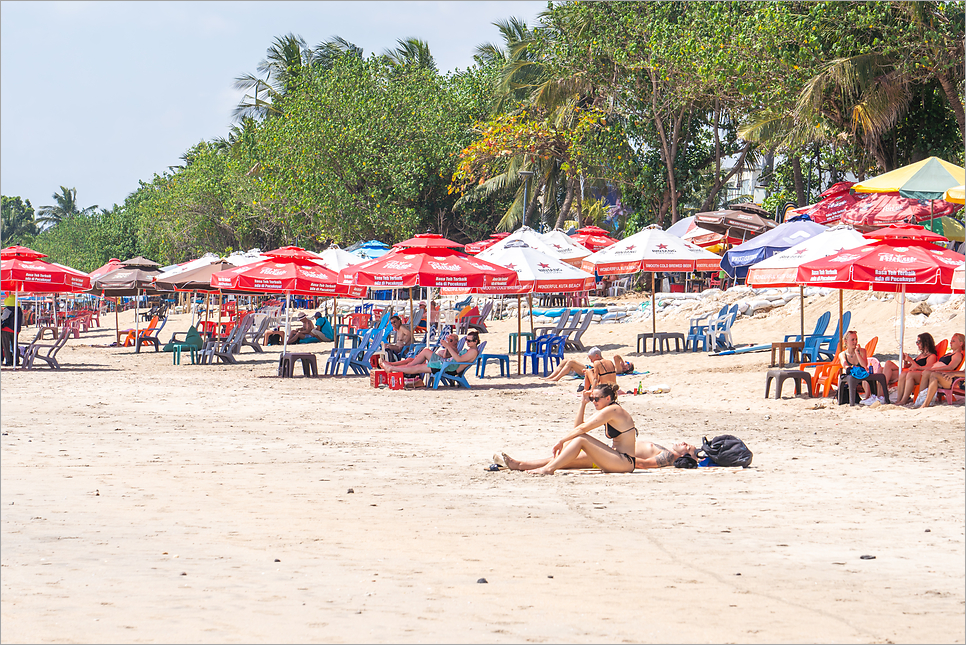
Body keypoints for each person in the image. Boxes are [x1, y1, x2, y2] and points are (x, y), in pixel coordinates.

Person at [501, 383, 637, 475]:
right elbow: (578, 427)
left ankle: (548, 469)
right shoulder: (608, 409)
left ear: (608, 398)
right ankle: (520, 465)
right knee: (568, 454)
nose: (594, 401)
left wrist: (561, 440)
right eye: (592, 398)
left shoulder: (613, 410)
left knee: (579, 440)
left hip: (625, 461)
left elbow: (582, 429)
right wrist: (583, 403)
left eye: (596, 399)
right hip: (616, 456)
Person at [380, 331, 480, 377]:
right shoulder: (470, 350)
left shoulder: (473, 352)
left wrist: (448, 346)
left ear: (475, 341)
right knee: (425, 352)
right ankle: (400, 367)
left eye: (469, 341)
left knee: (418, 367)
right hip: (447, 364)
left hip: (448, 368)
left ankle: (393, 368)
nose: (467, 342)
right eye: (466, 340)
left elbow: (458, 360)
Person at [902, 332, 964, 407]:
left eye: (953, 341)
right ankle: (920, 399)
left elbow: (950, 367)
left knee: (928, 373)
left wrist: (935, 369)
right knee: (927, 373)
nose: (950, 343)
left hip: (947, 377)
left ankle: (921, 401)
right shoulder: (948, 354)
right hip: (939, 374)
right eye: (951, 341)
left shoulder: (957, 355)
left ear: (961, 343)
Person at [539, 347, 634, 392]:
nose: (626, 365)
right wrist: (624, 361)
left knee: (571, 362)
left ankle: (556, 378)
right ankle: (550, 376)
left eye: (628, 365)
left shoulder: (619, 368)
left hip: (590, 371)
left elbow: (616, 356)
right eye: (628, 363)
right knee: (565, 360)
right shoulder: (605, 362)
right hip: (592, 369)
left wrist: (622, 362)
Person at [880, 333, 938, 400]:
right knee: (882, 369)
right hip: (908, 371)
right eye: (916, 342)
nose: (917, 344)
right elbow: (909, 366)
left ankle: (882, 395)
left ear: (925, 342)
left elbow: (927, 368)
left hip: (915, 374)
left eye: (919, 342)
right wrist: (906, 360)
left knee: (888, 364)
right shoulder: (921, 355)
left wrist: (911, 360)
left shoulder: (931, 356)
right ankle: (879, 395)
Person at [837, 330, 876, 402]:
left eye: (856, 339)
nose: (855, 342)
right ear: (846, 341)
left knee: (865, 378)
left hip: (862, 377)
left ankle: (867, 399)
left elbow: (864, 364)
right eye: (852, 340)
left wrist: (857, 353)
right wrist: (852, 368)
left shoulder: (862, 351)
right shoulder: (842, 354)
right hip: (852, 377)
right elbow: (845, 365)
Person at [1, 294, 25, 367]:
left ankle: (9, 361)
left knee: (6, 346)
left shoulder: (8, 309)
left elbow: (3, 318)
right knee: (14, 345)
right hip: (16, 330)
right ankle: (16, 361)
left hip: (6, 330)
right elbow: (23, 321)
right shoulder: (19, 310)